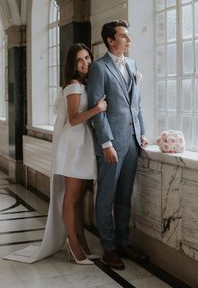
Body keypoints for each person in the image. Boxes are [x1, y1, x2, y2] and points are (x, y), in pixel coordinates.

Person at [4, 43, 107, 264]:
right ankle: (73, 243)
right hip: (72, 145)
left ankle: (81, 243)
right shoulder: (74, 86)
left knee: (77, 198)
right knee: (71, 197)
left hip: (80, 144)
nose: (85, 63)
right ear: (72, 64)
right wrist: (97, 109)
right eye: (79, 60)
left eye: (87, 58)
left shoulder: (82, 84)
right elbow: (73, 119)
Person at [87, 20, 149, 270]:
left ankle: (124, 242)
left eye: (128, 36)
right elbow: (97, 110)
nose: (129, 40)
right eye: (124, 36)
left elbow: (136, 104)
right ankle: (109, 248)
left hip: (133, 142)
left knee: (125, 196)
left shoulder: (132, 65)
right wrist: (106, 143)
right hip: (111, 144)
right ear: (111, 40)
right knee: (106, 195)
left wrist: (142, 132)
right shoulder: (99, 68)